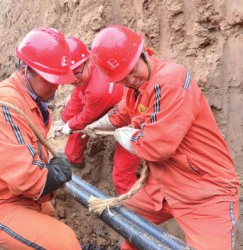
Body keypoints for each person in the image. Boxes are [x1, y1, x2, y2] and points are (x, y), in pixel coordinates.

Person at [85, 25, 239, 250]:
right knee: (127, 226)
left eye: (132, 69)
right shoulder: (135, 88)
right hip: (163, 185)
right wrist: (94, 125)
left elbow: (157, 147)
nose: (131, 80)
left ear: (144, 52)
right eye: (122, 78)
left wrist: (127, 138)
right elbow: (123, 112)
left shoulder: (170, 80)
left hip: (206, 192)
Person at [0, 27, 81, 249]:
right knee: (65, 243)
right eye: (49, 79)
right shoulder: (3, 105)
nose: (56, 86)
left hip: (14, 192)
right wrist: (54, 175)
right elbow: (25, 177)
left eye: (58, 79)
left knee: (49, 214)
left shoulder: (30, 99)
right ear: (26, 70)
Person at [53, 37, 140, 194]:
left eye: (77, 73)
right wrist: (64, 120)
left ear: (88, 60)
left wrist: (70, 125)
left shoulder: (97, 91)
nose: (74, 80)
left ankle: (136, 210)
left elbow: (86, 117)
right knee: (76, 123)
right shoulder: (88, 73)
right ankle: (73, 158)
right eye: (69, 78)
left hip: (131, 120)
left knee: (121, 176)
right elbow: (77, 98)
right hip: (120, 108)